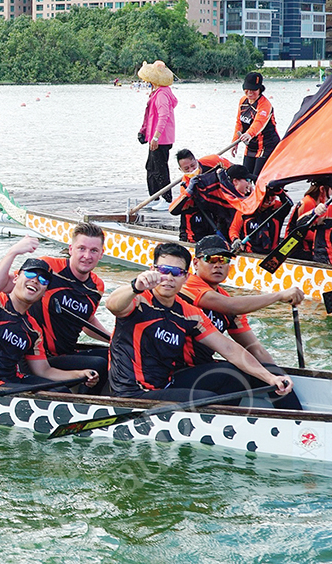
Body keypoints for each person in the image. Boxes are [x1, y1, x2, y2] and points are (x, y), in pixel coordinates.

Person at [106, 242, 295, 406]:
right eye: (164, 271)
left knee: (232, 376)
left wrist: (271, 378)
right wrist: (134, 286)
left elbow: (229, 348)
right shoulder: (139, 300)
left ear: (185, 277)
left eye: (177, 273)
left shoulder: (190, 313)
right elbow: (113, 305)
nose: (169, 278)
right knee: (208, 399)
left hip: (166, 384)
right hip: (131, 392)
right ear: (153, 270)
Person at [178, 235, 302, 409]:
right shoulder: (187, 286)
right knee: (233, 374)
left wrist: (278, 376)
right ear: (196, 263)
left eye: (224, 259)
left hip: (203, 367)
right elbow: (230, 307)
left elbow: (255, 348)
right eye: (211, 259)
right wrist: (279, 295)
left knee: (263, 372)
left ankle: (298, 422)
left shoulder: (226, 298)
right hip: (177, 371)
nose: (218, 265)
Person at [0, 225, 110, 394]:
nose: (87, 256)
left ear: (101, 254)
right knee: (98, 364)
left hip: (65, 354)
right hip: (35, 357)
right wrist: (13, 252)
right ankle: (84, 402)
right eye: (81, 249)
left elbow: (86, 321)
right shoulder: (49, 267)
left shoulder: (97, 286)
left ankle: (92, 398)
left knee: (113, 355)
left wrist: (113, 339)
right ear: (70, 249)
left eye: (94, 250)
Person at [0, 254, 99, 390]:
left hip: (12, 381)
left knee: (61, 391)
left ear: (44, 291)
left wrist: (80, 374)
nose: (35, 280)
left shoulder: (33, 329)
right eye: (30, 274)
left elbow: (44, 371)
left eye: (43, 280)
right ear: (16, 278)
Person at [137, 60, 178, 211]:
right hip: (155, 136)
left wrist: (155, 137)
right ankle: (154, 196)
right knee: (151, 166)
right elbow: (150, 116)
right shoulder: (157, 92)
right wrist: (144, 132)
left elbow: (163, 116)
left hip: (161, 138)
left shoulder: (162, 95)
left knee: (160, 167)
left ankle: (167, 199)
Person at [169, 150, 232, 243]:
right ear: (180, 170)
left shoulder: (213, 161)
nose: (191, 170)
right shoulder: (186, 184)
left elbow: (235, 170)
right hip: (210, 209)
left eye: (193, 166)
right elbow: (174, 210)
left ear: (197, 161)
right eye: (186, 169)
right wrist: (189, 191)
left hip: (226, 201)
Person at [232, 71, 280, 178]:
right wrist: (235, 142)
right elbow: (239, 123)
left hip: (267, 145)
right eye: (247, 89)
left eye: (253, 90)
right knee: (245, 177)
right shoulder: (243, 101)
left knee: (257, 178)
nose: (249, 93)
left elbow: (259, 123)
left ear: (260, 90)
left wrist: (249, 134)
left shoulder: (265, 105)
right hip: (251, 145)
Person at [228, 186, 288, 254]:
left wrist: (279, 192)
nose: (270, 199)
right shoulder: (246, 209)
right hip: (251, 253)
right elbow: (234, 229)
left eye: (273, 196)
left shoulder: (278, 207)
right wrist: (235, 239)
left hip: (272, 253)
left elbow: (288, 203)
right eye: (266, 196)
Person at [285, 179, 332, 263]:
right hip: (295, 246)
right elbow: (304, 232)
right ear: (322, 189)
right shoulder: (309, 202)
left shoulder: (314, 201)